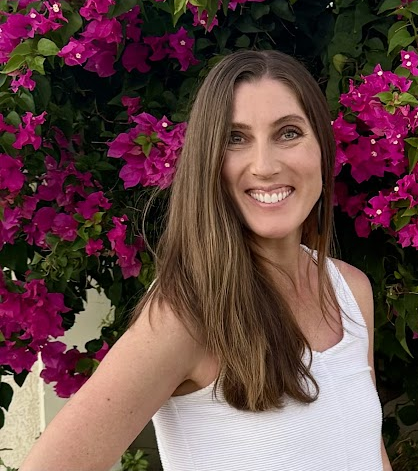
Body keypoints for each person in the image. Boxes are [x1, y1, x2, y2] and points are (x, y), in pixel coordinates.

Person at [21, 50, 392, 471]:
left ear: (322, 148)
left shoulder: (350, 292)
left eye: (288, 132)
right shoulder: (186, 316)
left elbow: (365, 450)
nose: (265, 165)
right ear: (208, 162)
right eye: (235, 138)